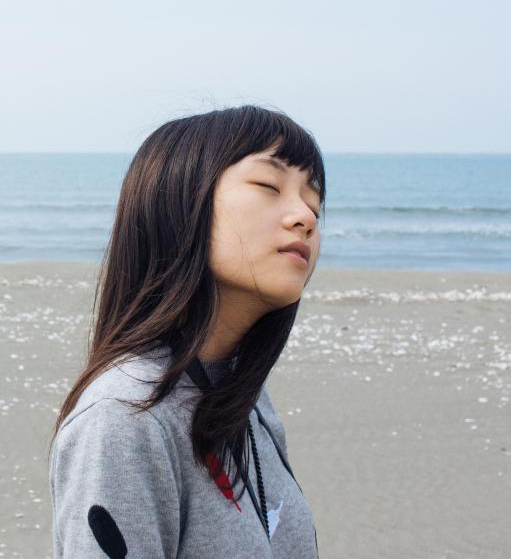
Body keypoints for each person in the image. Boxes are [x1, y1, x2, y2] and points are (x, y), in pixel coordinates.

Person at [48, 105, 325, 558]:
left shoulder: (244, 396)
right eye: (268, 185)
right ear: (177, 202)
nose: (305, 217)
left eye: (314, 202)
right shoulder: (125, 417)